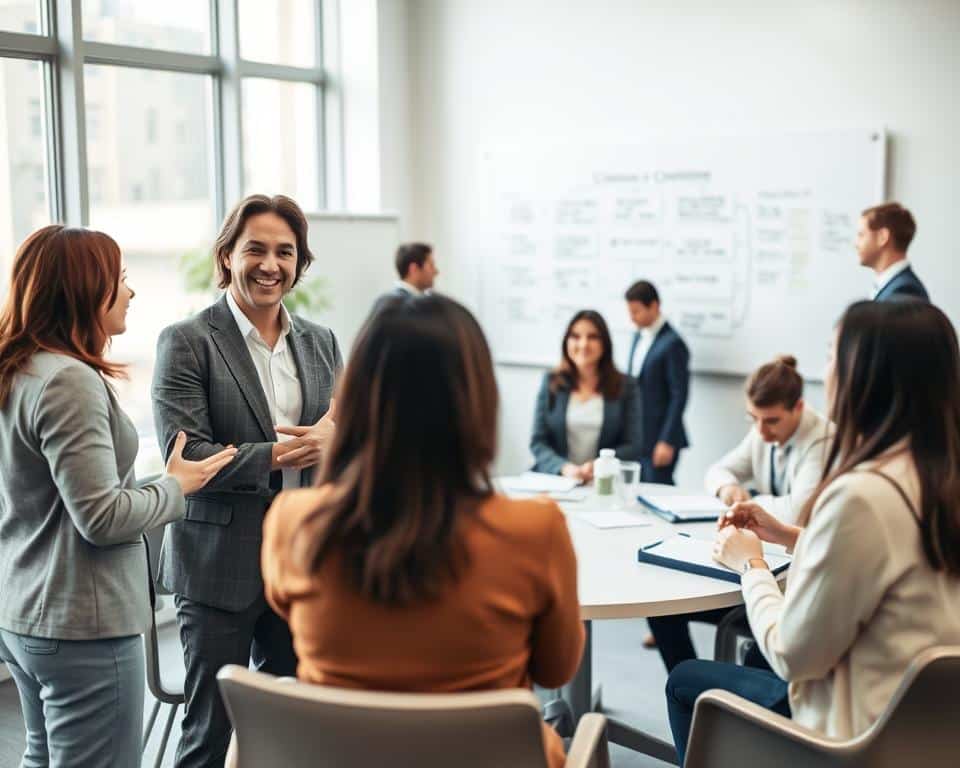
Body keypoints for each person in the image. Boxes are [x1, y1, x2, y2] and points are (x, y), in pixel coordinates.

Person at [252, 295, 584, 768]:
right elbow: (556, 669)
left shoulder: (294, 522)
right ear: (477, 399)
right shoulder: (536, 530)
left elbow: (294, 625)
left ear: (358, 399)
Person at [665, 300, 960, 765]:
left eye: (831, 355)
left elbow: (792, 655)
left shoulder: (862, 495)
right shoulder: (936, 478)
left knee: (685, 679)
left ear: (862, 377)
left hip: (846, 739)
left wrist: (752, 563)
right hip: (928, 735)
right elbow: (894, 564)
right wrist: (789, 536)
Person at [0, 225, 236, 768]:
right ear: (84, 290)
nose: (130, 291)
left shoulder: (19, 370)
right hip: (84, 625)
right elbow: (102, 518)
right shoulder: (69, 381)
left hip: (26, 614)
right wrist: (177, 486)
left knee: (43, 756)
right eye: (120, 279)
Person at [152, 194, 342, 768]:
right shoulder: (187, 340)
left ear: (299, 263)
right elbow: (186, 458)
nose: (270, 264)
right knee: (211, 732)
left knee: (297, 728)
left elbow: (341, 434)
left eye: (285, 252)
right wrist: (281, 456)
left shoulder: (320, 341)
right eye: (255, 249)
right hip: (218, 567)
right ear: (227, 255)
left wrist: (336, 441)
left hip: (300, 563)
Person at [648, 356, 832, 671]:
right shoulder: (764, 429)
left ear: (798, 408)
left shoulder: (823, 439)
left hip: (788, 581)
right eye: (753, 419)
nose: (761, 431)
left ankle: (701, 694)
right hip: (759, 560)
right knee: (660, 609)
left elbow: (799, 511)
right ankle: (692, 700)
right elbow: (718, 471)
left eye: (771, 421)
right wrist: (729, 491)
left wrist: (753, 503)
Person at [530, 309, 643, 481]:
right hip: (557, 480)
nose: (583, 344)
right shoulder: (551, 382)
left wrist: (600, 465)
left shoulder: (626, 386)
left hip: (605, 482)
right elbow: (538, 442)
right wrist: (564, 468)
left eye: (592, 337)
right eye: (575, 336)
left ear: (604, 343)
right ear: (566, 342)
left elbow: (633, 445)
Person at [624, 280, 690, 484]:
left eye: (636, 311)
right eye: (630, 312)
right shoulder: (638, 336)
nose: (632, 318)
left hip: (660, 437)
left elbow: (679, 396)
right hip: (639, 435)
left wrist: (667, 440)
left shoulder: (673, 344)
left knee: (658, 490)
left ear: (654, 306)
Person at [856, 202, 929, 302]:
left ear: (882, 237)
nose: (856, 244)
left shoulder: (904, 291)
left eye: (861, 235)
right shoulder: (892, 285)